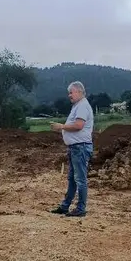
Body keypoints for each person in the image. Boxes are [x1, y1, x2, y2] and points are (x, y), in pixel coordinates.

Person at [49, 81, 94, 217]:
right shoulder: (78, 105)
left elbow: (79, 125)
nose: (69, 95)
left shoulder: (82, 106)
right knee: (73, 179)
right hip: (76, 148)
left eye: (71, 92)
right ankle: (65, 206)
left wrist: (61, 127)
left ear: (80, 92)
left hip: (80, 147)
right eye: (69, 93)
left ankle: (80, 208)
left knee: (80, 179)